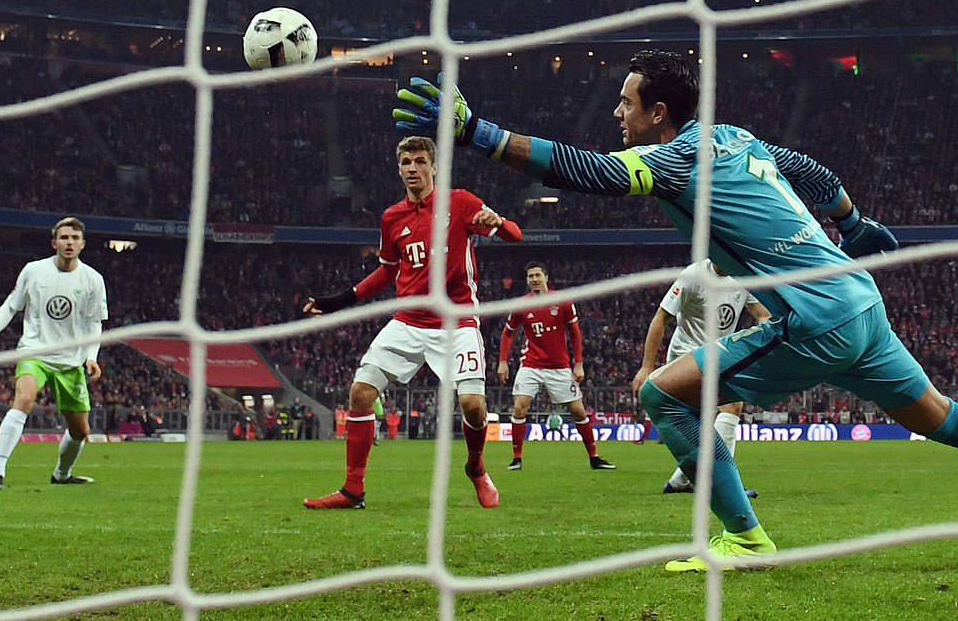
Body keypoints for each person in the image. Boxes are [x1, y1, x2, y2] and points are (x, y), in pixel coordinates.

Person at [392, 53, 958, 569]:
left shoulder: (673, 158)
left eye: (626, 103)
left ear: (658, 113)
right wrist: (853, 225)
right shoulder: (740, 138)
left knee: (657, 394)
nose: (617, 113)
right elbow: (817, 175)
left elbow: (596, 174)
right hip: (859, 302)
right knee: (946, 420)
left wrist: (479, 132)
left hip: (813, 318)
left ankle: (742, 537)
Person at [301, 135, 522, 510]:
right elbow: (387, 272)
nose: (413, 169)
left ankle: (476, 467)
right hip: (408, 321)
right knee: (360, 392)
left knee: (471, 404)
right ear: (399, 168)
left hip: (457, 321)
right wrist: (338, 300)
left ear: (434, 166)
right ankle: (353, 489)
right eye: (406, 163)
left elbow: (515, 236)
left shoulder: (461, 202)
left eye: (420, 161)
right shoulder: (392, 217)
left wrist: (498, 222)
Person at [0, 216, 107, 490]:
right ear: (54, 242)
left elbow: (95, 322)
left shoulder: (94, 280)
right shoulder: (33, 270)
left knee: (80, 431)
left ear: (82, 244)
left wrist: (91, 356)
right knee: (24, 398)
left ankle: (62, 474)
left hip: (70, 361)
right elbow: (12, 304)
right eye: (64, 237)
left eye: (74, 238)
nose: (69, 242)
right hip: (35, 351)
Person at [641, 259, 769, 496]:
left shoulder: (741, 275)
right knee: (731, 406)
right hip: (686, 353)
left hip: (718, 353)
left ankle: (681, 480)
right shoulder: (694, 275)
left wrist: (768, 333)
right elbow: (661, 317)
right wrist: (647, 366)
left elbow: (761, 313)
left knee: (709, 419)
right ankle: (724, 486)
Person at [498, 261, 616, 471]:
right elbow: (508, 332)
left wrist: (578, 363)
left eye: (537, 275)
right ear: (527, 281)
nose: (534, 279)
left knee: (578, 411)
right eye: (530, 276)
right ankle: (517, 458)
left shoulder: (562, 301)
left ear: (546, 278)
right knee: (519, 406)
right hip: (531, 364)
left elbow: (575, 333)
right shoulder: (522, 305)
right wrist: (503, 362)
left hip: (559, 367)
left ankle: (595, 457)